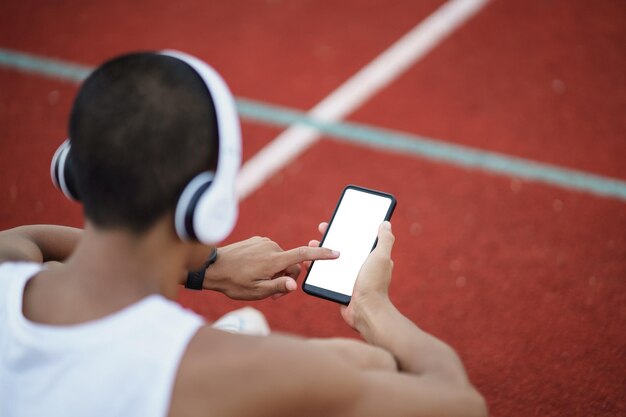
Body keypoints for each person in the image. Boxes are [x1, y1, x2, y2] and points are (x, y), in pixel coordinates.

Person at [0, 51, 487, 417]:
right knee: (373, 368)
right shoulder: (210, 371)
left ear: (74, 171)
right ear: (204, 208)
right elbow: (459, 403)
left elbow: (31, 239)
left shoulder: (8, 266)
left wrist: (207, 270)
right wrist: (372, 306)